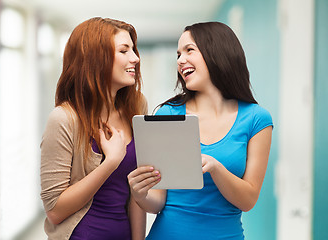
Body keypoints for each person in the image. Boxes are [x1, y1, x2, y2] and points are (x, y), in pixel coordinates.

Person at [128, 21, 273, 239]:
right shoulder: (168, 114)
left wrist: (215, 168)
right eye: (178, 54)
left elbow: (248, 200)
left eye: (189, 50)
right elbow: (157, 201)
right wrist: (140, 194)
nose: (180, 60)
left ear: (217, 52)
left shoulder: (256, 119)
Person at [40, 17, 147, 240]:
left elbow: (138, 190)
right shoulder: (63, 119)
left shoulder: (136, 106)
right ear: (96, 59)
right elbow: (54, 211)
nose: (135, 58)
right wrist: (110, 163)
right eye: (124, 51)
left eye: (133, 50)